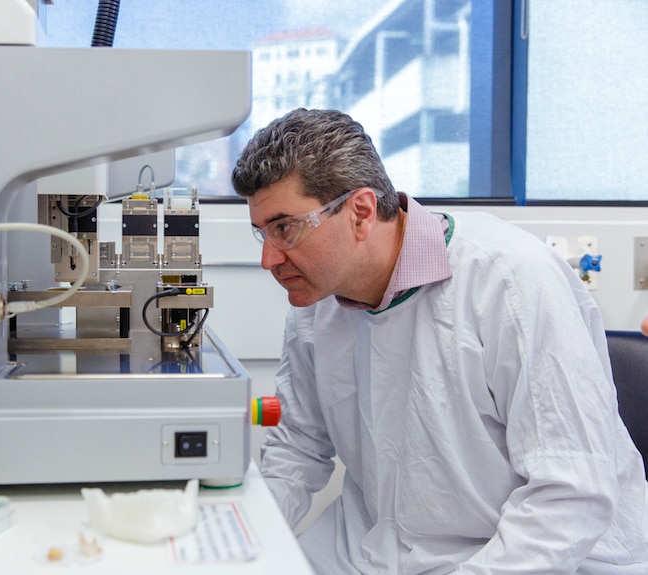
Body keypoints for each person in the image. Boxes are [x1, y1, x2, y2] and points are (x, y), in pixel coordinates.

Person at [231, 108, 648, 574]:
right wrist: (238, 539)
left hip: (526, 553)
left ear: (361, 213)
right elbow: (299, 447)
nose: (269, 258)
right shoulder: (317, 302)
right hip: (371, 545)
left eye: (284, 228)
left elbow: (571, 496)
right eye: (261, 233)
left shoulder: (509, 281)